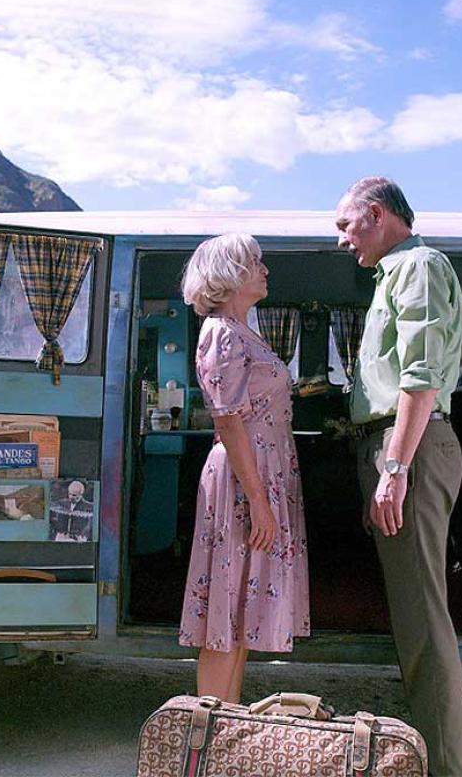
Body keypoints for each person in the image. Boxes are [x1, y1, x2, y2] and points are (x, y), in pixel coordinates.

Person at [335, 177, 462, 776]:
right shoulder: (393, 273)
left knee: (422, 620)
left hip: (409, 445)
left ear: (375, 214)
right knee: (413, 615)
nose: (343, 239)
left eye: (346, 225)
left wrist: (395, 466)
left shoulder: (417, 265)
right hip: (400, 446)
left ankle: (450, 766)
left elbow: (420, 376)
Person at [178, 233, 310, 703]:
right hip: (242, 478)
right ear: (230, 274)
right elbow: (228, 421)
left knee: (239, 613)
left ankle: (224, 727)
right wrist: (258, 500)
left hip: (258, 474)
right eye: (255, 261)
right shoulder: (220, 332)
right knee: (226, 612)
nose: (264, 269)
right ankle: (208, 735)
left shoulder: (241, 331)